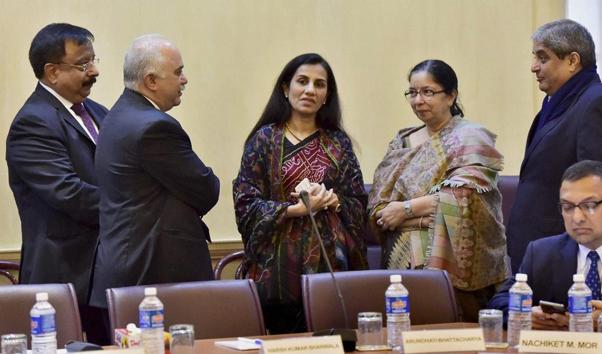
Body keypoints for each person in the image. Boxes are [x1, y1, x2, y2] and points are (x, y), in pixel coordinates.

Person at [233, 53, 368, 334]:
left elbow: (357, 202)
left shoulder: (338, 143)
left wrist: (335, 200)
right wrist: (294, 210)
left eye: (319, 84)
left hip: (331, 266)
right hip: (276, 269)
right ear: (286, 88)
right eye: (302, 81)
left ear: (327, 95)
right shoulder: (265, 139)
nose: (310, 90)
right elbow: (245, 202)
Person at [368, 59, 509, 322]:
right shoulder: (402, 141)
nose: (418, 100)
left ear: (451, 95)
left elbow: (467, 198)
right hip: (399, 255)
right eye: (412, 92)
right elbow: (380, 206)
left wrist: (405, 210)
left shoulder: (472, 138)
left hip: (453, 264)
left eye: (428, 92)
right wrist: (412, 215)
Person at [89, 34, 220, 309]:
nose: (184, 80)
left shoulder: (117, 116)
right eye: (178, 72)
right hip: (153, 277)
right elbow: (207, 189)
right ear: (151, 81)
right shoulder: (154, 128)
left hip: (128, 271)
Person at [6, 23, 109, 344]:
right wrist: (131, 208)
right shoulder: (33, 121)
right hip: (64, 277)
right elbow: (69, 194)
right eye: (82, 64)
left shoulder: (98, 112)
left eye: (94, 61)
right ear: (51, 72)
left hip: (106, 273)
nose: (94, 71)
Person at [507, 19, 602, 273]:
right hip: (537, 248)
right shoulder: (557, 102)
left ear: (573, 61)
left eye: (543, 58)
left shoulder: (598, 103)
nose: (533, 67)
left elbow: (595, 189)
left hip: (565, 256)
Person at [489, 160, 602, 329]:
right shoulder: (542, 252)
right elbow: (500, 301)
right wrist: (525, 315)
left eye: (589, 206)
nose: (577, 218)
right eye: (568, 207)